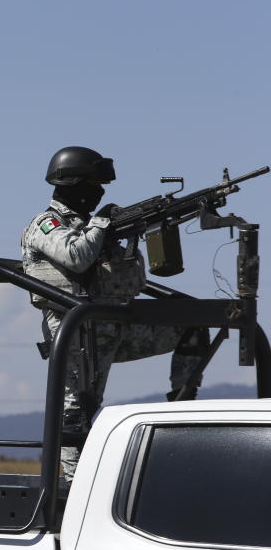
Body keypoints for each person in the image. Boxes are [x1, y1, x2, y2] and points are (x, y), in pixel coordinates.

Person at [20, 146, 207, 480]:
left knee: (192, 326)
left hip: (113, 330)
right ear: (72, 182)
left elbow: (134, 282)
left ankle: (181, 412)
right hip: (74, 334)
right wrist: (103, 226)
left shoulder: (96, 228)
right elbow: (76, 255)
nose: (100, 191)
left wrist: (130, 236)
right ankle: (70, 489)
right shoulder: (46, 224)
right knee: (76, 413)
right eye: (93, 184)